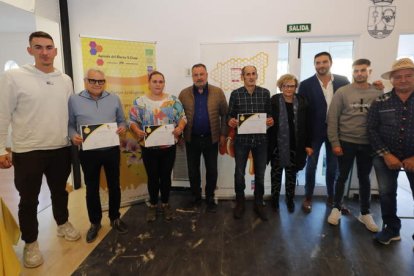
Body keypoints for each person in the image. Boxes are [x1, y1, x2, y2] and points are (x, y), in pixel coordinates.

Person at [0, 31, 80, 268]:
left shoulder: (65, 79)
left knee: (60, 192)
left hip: (60, 147)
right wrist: (1, 148)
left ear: (55, 51)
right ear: (30, 50)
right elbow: (2, 114)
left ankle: (62, 223)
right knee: (28, 200)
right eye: (39, 47)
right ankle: (31, 242)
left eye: (49, 47)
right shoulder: (14, 77)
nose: (45, 52)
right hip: (28, 151)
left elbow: (68, 114)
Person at [68, 68, 128, 243]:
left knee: (114, 185)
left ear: (105, 82)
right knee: (92, 189)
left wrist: (123, 127)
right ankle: (95, 223)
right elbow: (70, 125)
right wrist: (73, 136)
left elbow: (122, 120)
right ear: (86, 81)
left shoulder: (114, 98)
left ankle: (115, 218)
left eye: (100, 81)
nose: (97, 84)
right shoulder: (74, 100)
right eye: (93, 81)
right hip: (88, 153)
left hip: (111, 150)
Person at [326, 59, 382, 232]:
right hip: (346, 142)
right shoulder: (343, 92)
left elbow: (382, 118)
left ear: (369, 72)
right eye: (356, 71)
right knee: (341, 176)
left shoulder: (377, 92)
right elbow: (332, 118)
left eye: (363, 70)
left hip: (368, 143)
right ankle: (336, 208)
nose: (359, 73)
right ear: (352, 72)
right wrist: (335, 142)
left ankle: (365, 213)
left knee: (365, 178)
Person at [367, 57, 414, 245]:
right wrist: (386, 153)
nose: (403, 80)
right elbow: (371, 129)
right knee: (386, 193)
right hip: (385, 155)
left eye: (408, 76)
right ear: (392, 79)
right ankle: (391, 229)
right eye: (398, 76)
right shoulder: (380, 101)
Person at [129, 71, 187, 222]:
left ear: (164, 83)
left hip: (168, 147)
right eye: (154, 81)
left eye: (161, 82)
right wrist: (136, 130)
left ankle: (166, 204)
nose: (158, 84)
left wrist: (180, 128)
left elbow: (183, 118)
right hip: (149, 148)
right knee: (153, 177)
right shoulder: (140, 101)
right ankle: (153, 205)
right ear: (149, 83)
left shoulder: (173, 101)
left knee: (166, 177)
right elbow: (132, 121)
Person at [298, 51, 350, 213]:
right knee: (311, 166)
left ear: (330, 63)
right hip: (314, 133)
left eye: (324, 62)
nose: (321, 65)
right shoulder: (306, 84)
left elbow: (353, 99)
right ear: (314, 65)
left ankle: (332, 197)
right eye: (318, 63)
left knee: (333, 167)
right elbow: (302, 113)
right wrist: (305, 138)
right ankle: (308, 197)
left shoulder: (343, 81)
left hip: (336, 131)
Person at [179, 64, 228, 212]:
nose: (199, 77)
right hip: (191, 138)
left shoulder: (218, 92)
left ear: (207, 74)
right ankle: (195, 197)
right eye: (196, 75)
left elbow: (225, 114)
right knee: (193, 170)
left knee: (212, 170)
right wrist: (180, 135)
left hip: (211, 138)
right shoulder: (184, 94)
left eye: (201, 74)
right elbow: (178, 116)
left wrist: (223, 134)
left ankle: (210, 196)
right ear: (192, 76)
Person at [228, 65, 273, 221]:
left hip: (261, 141)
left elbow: (270, 116)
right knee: (239, 173)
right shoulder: (235, 94)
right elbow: (230, 116)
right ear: (243, 77)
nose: (251, 77)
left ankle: (258, 202)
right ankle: (240, 202)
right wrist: (231, 121)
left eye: (253, 73)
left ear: (257, 75)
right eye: (248, 74)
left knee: (260, 174)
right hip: (242, 141)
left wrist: (270, 121)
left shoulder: (265, 93)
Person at [267, 74, 313, 213]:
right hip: (277, 146)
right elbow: (267, 120)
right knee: (276, 175)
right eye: (285, 86)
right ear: (281, 87)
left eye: (291, 86)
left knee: (291, 176)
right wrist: (268, 122)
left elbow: (308, 125)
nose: (288, 88)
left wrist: (308, 144)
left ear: (295, 87)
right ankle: (274, 200)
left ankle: (290, 200)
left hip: (296, 146)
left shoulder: (302, 101)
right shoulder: (274, 100)